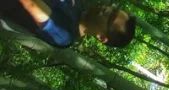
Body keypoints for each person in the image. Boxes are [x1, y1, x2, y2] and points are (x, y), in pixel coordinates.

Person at [0, 0, 135, 48]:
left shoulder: (65, 35)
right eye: (114, 9)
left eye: (110, 17)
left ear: (101, 37)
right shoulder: (77, 6)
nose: (107, 9)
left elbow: (31, 4)